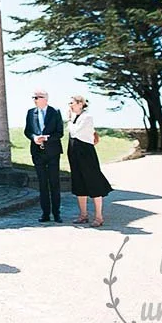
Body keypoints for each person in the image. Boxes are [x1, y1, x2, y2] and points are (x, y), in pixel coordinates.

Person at [67, 95, 112, 227]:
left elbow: (75, 132)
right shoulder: (75, 118)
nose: (70, 105)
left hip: (86, 153)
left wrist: (69, 121)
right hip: (74, 153)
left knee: (93, 181)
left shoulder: (87, 117)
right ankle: (83, 215)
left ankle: (99, 216)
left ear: (80, 104)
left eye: (72, 103)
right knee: (78, 182)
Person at [26, 89, 64, 222]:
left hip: (53, 152)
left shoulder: (55, 112)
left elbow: (60, 133)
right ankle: (45, 214)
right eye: (34, 97)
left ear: (45, 99)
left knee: (54, 183)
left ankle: (57, 213)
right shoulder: (31, 113)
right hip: (37, 153)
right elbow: (27, 131)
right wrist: (34, 138)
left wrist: (47, 138)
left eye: (38, 97)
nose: (35, 99)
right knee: (42, 184)